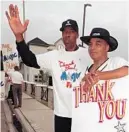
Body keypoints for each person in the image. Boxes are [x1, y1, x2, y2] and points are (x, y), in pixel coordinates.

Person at [5, 4, 128, 132]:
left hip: (85, 114)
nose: (67, 34)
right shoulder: (54, 55)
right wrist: (19, 37)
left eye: (71, 32)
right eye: (64, 32)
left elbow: (116, 68)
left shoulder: (90, 53)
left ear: (77, 34)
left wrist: (99, 77)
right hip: (62, 115)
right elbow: (29, 60)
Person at [71, 28, 129, 132]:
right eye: (90, 44)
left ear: (107, 47)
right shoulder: (86, 69)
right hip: (90, 125)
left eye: (98, 44)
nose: (92, 48)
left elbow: (126, 70)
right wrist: (84, 79)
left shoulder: (115, 62)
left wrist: (100, 75)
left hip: (111, 125)